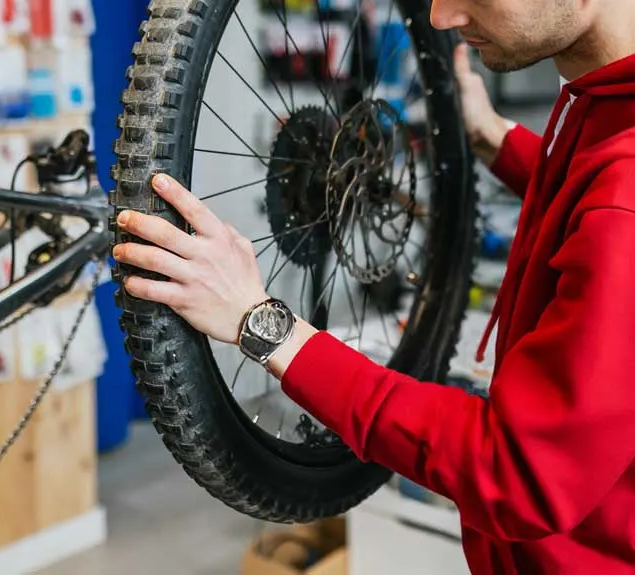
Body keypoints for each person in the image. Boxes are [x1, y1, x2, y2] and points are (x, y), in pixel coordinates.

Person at [111, 0, 635, 573]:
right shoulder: (606, 101)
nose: (441, 17)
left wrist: (264, 325)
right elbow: (592, 202)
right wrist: (493, 138)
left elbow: (517, 473)